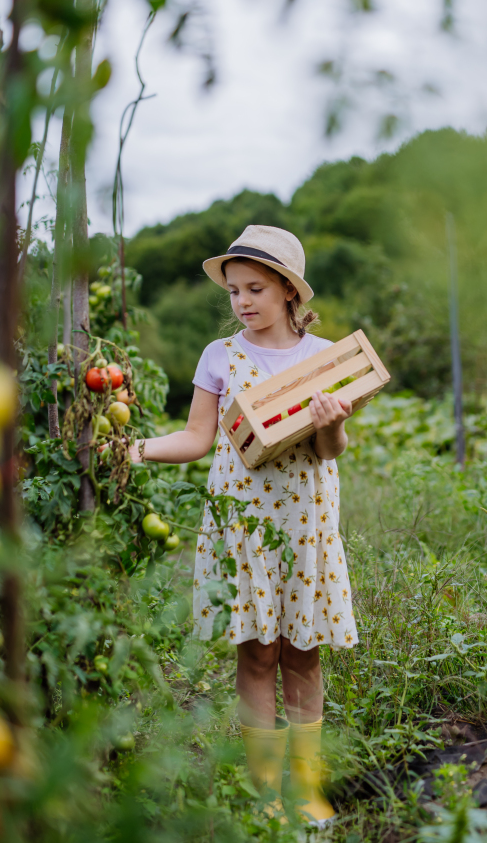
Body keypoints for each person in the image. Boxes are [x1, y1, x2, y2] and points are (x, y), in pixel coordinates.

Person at [130, 225, 358, 827]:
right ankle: (266, 793)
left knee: (302, 653)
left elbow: (331, 450)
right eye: (234, 291)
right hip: (243, 524)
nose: (242, 302)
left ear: (288, 290)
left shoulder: (324, 358)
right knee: (256, 654)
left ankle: (307, 789)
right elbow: (196, 438)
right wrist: (132, 448)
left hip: (306, 522)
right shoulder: (220, 356)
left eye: (255, 288)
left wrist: (333, 420)